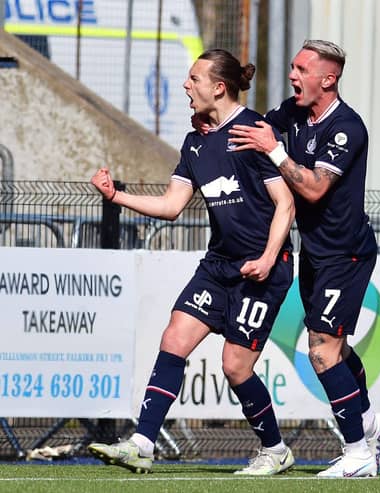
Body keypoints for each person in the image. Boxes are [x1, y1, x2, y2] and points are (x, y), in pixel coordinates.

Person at [87, 49, 296, 475]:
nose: (186, 85)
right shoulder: (196, 140)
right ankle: (142, 443)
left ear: (218, 87)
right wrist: (116, 196)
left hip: (262, 269)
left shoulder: (256, 132)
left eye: (194, 78)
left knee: (235, 367)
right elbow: (171, 206)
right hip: (219, 266)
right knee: (174, 338)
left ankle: (275, 450)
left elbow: (286, 203)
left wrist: (269, 257)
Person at [224, 39, 380, 477]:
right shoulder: (293, 113)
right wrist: (213, 116)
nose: (293, 75)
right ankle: (370, 423)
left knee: (321, 352)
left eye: (301, 69)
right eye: (293, 67)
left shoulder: (347, 128)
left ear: (328, 79)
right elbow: (254, 127)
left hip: (347, 254)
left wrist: (274, 151)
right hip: (315, 254)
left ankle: (358, 454)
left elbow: (315, 188)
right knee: (335, 346)